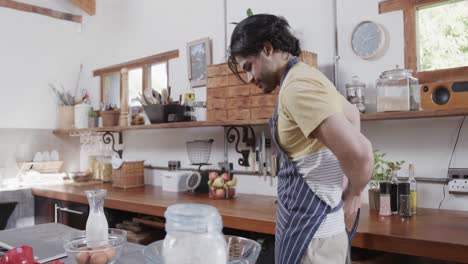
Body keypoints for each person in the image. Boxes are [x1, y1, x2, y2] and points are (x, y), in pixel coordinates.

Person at [228, 14, 374, 264]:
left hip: (312, 237)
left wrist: (354, 193)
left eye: (249, 67)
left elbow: (360, 153)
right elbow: (352, 115)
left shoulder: (297, 87)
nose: (250, 79)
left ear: (267, 48)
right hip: (315, 231)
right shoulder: (305, 75)